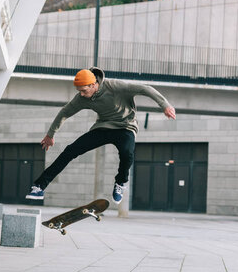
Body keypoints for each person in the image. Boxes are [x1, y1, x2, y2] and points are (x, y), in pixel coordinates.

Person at [25, 67, 176, 204]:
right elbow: (65, 112)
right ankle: (39, 186)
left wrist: (165, 105)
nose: (82, 95)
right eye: (79, 91)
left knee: (127, 153)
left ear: (93, 84)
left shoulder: (115, 87)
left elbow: (145, 89)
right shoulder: (82, 98)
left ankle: (120, 182)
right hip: (103, 127)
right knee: (71, 150)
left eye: (84, 90)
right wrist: (50, 135)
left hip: (126, 127)